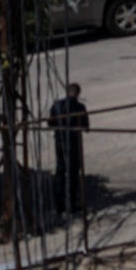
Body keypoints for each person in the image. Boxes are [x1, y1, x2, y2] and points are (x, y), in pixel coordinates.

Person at [50, 83, 92, 217]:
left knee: (60, 171)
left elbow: (50, 123)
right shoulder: (80, 107)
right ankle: (72, 204)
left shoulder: (56, 105)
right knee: (73, 172)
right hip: (73, 142)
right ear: (78, 93)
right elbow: (86, 127)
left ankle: (59, 205)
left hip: (59, 141)